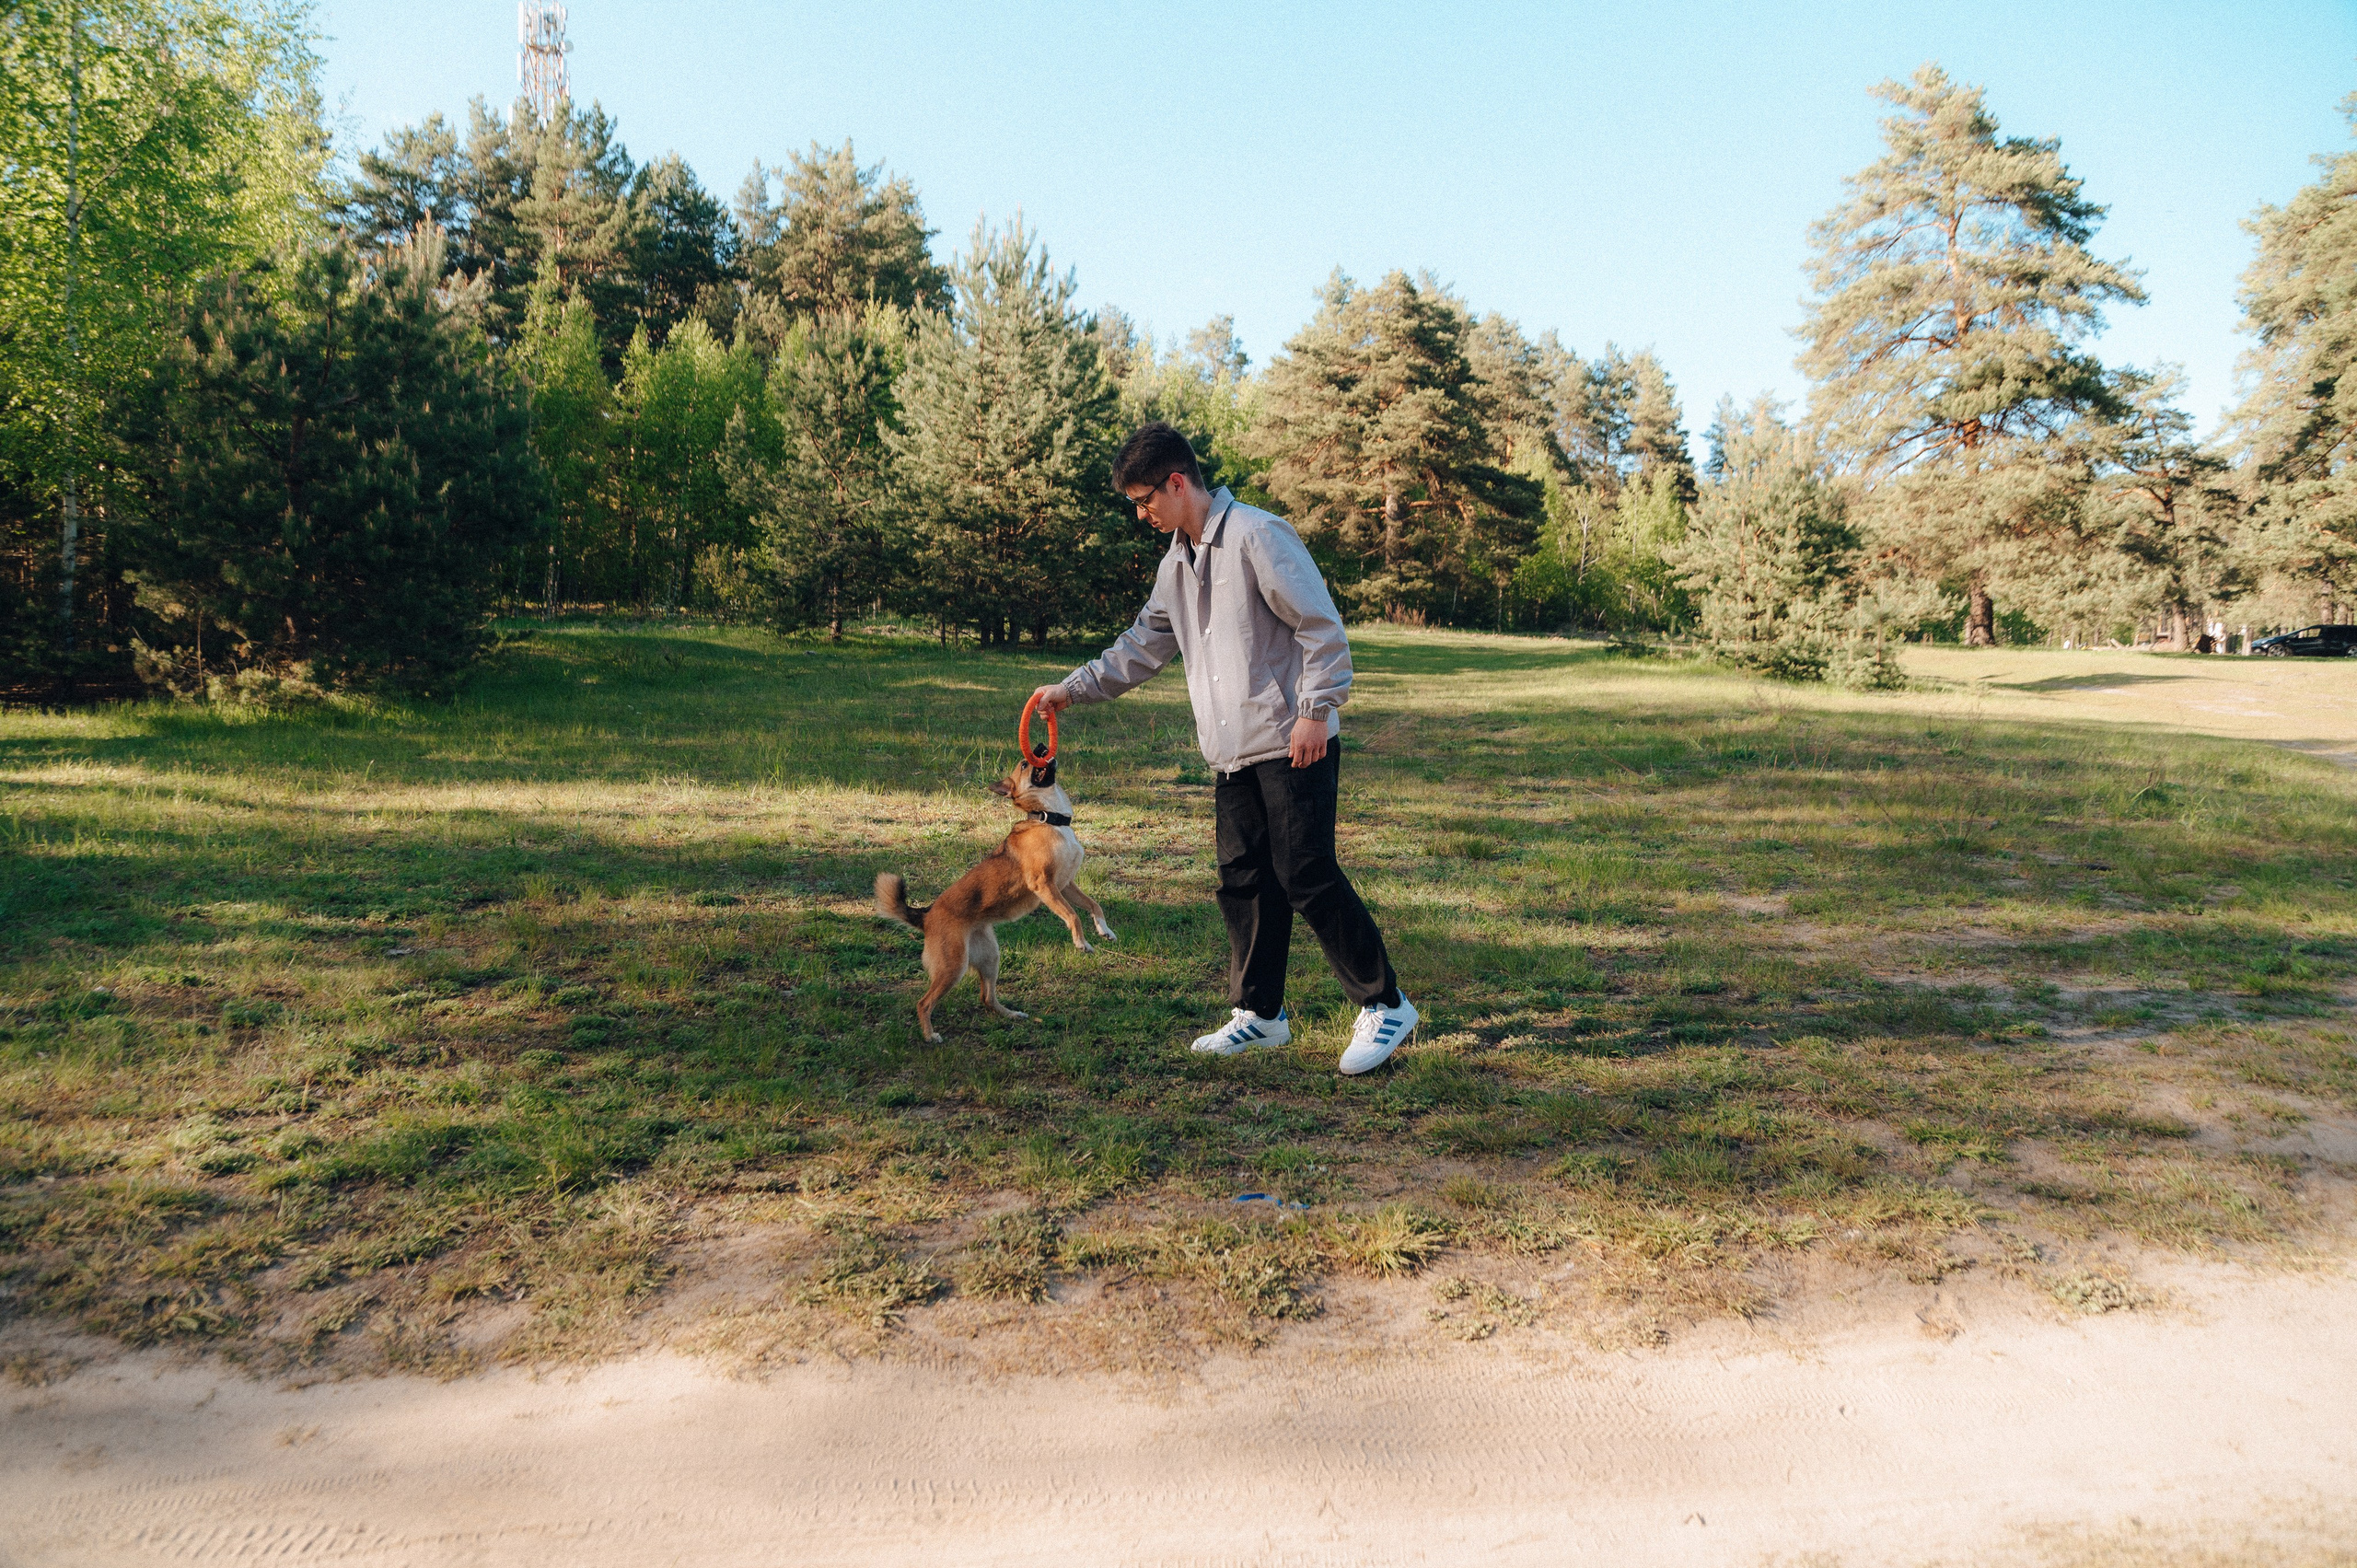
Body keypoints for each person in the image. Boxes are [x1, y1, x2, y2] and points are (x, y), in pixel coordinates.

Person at [1028, 422, 1417, 1075]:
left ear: (1177, 482)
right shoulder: (1174, 565)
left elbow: (1321, 627)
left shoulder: (1258, 535)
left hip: (1293, 739)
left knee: (1305, 873)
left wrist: (1316, 710)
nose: (1142, 513)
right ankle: (1260, 1016)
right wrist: (1073, 688)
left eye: (1145, 499)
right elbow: (1140, 646)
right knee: (1244, 881)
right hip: (1231, 751)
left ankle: (1385, 1002)